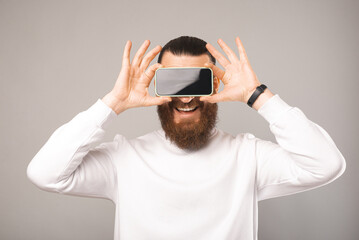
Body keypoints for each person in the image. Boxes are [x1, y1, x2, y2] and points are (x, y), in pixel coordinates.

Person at [27, 36, 346, 240]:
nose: (186, 98)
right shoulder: (125, 159)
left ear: (216, 86)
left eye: (197, 82)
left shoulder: (247, 156)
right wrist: (113, 103)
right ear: (156, 87)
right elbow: (44, 173)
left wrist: (256, 95)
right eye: (174, 83)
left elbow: (327, 165)